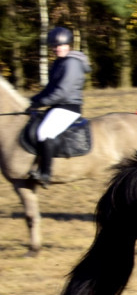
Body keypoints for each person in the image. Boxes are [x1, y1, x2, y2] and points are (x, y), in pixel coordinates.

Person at [26, 26, 91, 187]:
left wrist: (41, 102)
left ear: (68, 45)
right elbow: (50, 88)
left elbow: (62, 91)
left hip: (68, 107)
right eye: (55, 46)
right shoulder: (59, 62)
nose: (57, 49)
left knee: (44, 132)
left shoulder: (71, 63)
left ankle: (45, 174)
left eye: (61, 45)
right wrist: (33, 100)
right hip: (58, 106)